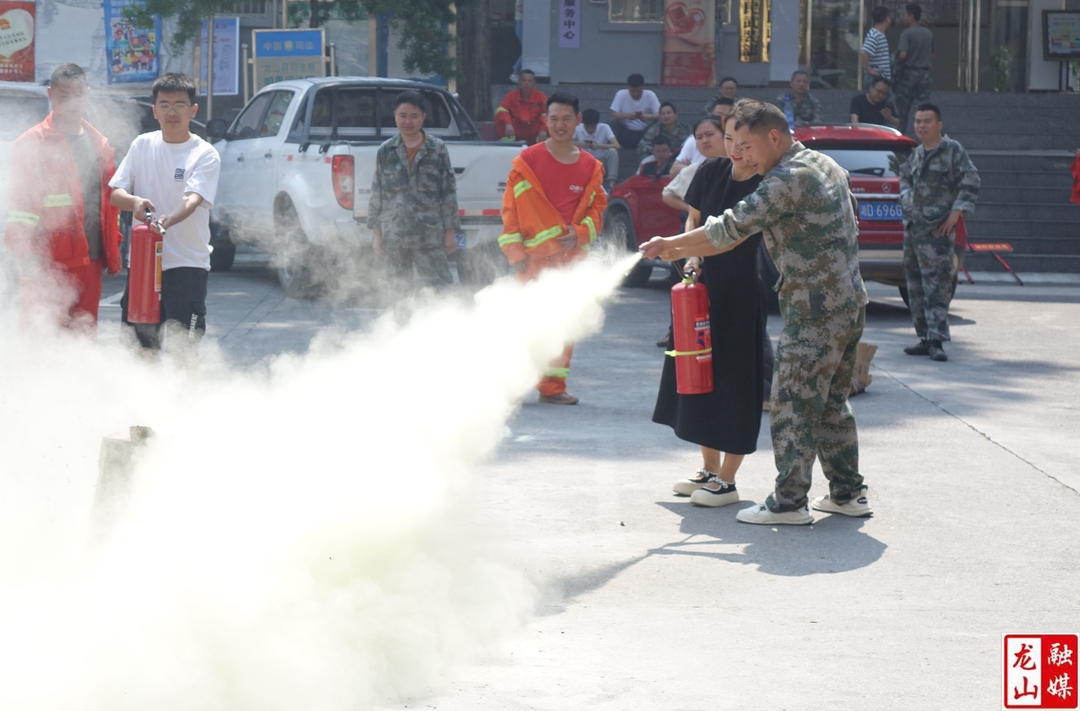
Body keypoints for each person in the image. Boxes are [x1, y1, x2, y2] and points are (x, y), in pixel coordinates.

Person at [640, 100, 871, 526]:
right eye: (734, 144)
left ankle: (788, 503)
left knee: (792, 403)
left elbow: (726, 231)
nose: (740, 155)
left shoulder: (786, 180)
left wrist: (670, 246)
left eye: (747, 146)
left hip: (814, 307)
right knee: (832, 403)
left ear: (774, 138)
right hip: (849, 302)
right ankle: (847, 494)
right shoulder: (825, 165)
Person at [654, 114, 765, 508]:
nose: (735, 148)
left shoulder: (764, 184)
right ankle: (708, 467)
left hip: (740, 294)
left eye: (741, 140)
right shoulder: (710, 171)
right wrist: (690, 258)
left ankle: (729, 480)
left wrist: (682, 248)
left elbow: (731, 238)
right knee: (695, 372)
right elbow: (695, 218)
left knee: (735, 382)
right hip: (699, 290)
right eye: (729, 138)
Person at [498, 92, 607, 405]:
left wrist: (581, 233)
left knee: (564, 327)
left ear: (578, 121)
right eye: (554, 118)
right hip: (532, 261)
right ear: (545, 120)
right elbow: (510, 210)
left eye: (566, 118)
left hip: (570, 262)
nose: (560, 125)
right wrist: (515, 253)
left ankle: (553, 388)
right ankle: (512, 386)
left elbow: (598, 209)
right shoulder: (528, 160)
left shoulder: (590, 165)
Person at [3, 63, 122, 335]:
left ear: (88, 94)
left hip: (90, 259)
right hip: (47, 264)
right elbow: (21, 210)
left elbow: (106, 202)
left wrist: (112, 247)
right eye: (64, 95)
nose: (72, 102)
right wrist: (27, 258)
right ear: (51, 95)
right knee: (42, 341)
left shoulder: (99, 143)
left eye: (78, 94)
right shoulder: (34, 142)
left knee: (83, 339)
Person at [111, 73, 220, 360]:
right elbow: (116, 193)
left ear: (193, 110)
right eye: (165, 104)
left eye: (180, 105)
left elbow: (193, 198)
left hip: (186, 263)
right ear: (154, 110)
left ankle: (185, 404)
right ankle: (148, 404)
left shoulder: (204, 153)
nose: (172, 111)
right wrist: (134, 201)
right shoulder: (142, 145)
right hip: (144, 264)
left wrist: (167, 221)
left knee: (184, 350)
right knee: (142, 347)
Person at [898, 103, 979, 362]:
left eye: (927, 121)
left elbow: (971, 179)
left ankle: (937, 340)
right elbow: (905, 180)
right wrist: (908, 204)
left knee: (937, 287)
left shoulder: (952, 150)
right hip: (914, 231)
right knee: (915, 287)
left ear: (939, 124)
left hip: (938, 232)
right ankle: (923, 337)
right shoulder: (917, 153)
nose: (922, 125)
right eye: (918, 121)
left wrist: (957, 213)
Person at [369, 91, 461, 288]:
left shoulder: (437, 149)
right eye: (402, 116)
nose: (407, 121)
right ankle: (400, 321)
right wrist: (377, 236)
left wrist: (450, 232)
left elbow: (449, 193)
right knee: (398, 292)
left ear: (423, 117)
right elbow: (377, 193)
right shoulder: (386, 151)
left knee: (438, 290)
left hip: (428, 236)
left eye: (414, 116)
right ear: (395, 116)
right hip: (394, 236)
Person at [894, 3, 934, 135]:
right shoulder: (928, 33)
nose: (903, 17)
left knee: (902, 111)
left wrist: (897, 59)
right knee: (924, 109)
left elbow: (902, 55)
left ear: (911, 16)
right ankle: (926, 137)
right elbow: (932, 55)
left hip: (908, 74)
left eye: (905, 15)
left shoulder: (907, 33)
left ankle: (900, 139)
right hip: (925, 75)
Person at [670, 97, 733, 178]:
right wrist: (694, 169)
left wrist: (689, 169)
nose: (704, 140)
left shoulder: (739, 143)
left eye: (727, 116)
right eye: (719, 115)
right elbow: (674, 171)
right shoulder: (693, 139)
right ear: (710, 114)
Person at [494, 69, 548, 144]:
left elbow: (548, 113)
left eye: (529, 81)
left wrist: (544, 129)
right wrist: (508, 123)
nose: (526, 83)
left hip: (534, 131)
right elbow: (501, 109)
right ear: (519, 81)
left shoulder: (540, 96)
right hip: (517, 129)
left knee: (552, 119)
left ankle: (545, 147)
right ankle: (507, 145)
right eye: (524, 80)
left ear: (534, 83)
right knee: (500, 117)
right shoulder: (511, 95)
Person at [609, 73, 660, 150]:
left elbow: (660, 113)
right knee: (611, 123)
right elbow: (613, 114)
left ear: (643, 87)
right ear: (628, 87)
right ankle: (615, 146)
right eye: (633, 91)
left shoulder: (650, 95)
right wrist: (627, 116)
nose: (636, 94)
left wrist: (649, 116)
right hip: (626, 132)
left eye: (639, 91)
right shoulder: (621, 94)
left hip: (645, 132)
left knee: (659, 122)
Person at [574, 108, 621, 188]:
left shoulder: (605, 127)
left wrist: (599, 146)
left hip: (601, 160)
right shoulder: (577, 128)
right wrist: (581, 144)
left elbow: (617, 145)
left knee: (613, 151)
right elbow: (566, 144)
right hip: (584, 160)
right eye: (587, 127)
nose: (590, 130)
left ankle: (611, 183)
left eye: (592, 127)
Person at [859, 6, 893, 84]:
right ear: (887, 19)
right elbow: (863, 52)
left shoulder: (877, 34)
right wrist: (869, 69)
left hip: (880, 79)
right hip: (876, 80)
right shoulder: (875, 35)